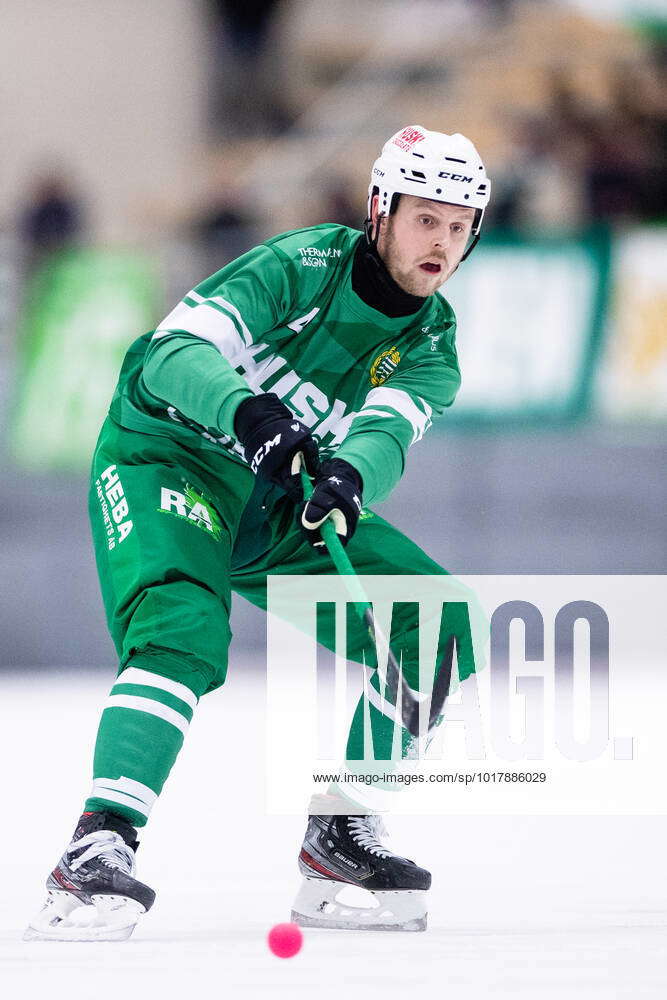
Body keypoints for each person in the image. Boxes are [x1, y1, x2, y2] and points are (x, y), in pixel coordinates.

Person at [25, 126, 491, 941]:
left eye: (459, 228)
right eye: (426, 219)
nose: (441, 244)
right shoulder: (300, 265)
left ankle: (338, 835)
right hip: (169, 457)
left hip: (281, 498)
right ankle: (98, 845)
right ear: (379, 211)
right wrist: (248, 413)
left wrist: (349, 477)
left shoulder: (432, 341)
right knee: (182, 632)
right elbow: (170, 355)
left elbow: (385, 433)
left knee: (436, 620)